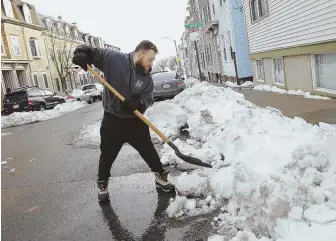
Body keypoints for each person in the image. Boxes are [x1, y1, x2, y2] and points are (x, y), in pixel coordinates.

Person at [72, 40, 175, 202]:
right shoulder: (113, 59)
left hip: (135, 121)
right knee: (107, 155)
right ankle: (102, 184)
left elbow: (148, 98)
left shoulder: (146, 78)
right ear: (140, 54)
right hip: (112, 120)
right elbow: (89, 51)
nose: (151, 64)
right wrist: (81, 54)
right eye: (150, 59)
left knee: (149, 151)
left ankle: (160, 178)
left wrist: (139, 104)